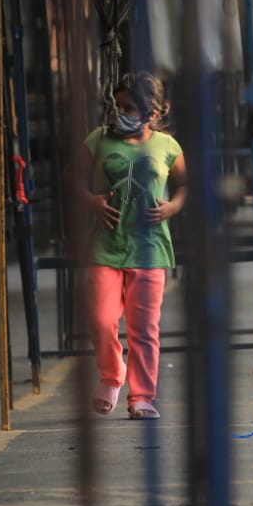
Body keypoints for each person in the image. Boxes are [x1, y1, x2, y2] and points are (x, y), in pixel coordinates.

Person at [78, 72, 187, 420]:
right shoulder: (98, 139)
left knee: (144, 329)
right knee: (100, 318)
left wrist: (172, 207)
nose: (120, 113)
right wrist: (92, 201)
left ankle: (141, 397)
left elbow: (185, 186)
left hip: (150, 247)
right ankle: (112, 374)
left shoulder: (167, 147)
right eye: (117, 105)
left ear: (153, 113)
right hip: (106, 245)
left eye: (129, 108)